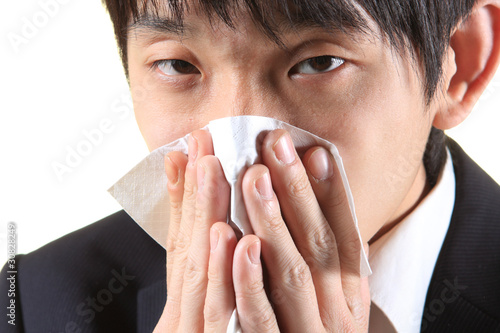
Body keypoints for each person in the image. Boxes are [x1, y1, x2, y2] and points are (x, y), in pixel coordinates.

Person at [2, 0, 500, 332]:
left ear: (461, 62)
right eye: (178, 66)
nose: (240, 161)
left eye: (318, 62)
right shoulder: (34, 304)